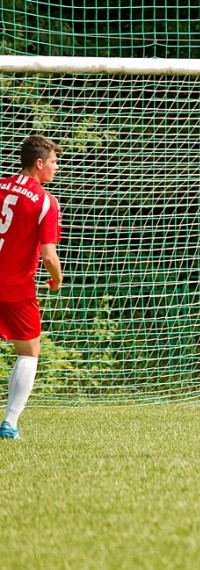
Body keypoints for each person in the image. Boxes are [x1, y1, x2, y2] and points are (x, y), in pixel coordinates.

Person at [0, 135, 64, 441]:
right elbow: (49, 255)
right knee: (29, 351)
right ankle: (10, 423)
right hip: (15, 289)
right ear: (38, 164)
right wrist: (56, 278)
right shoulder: (45, 201)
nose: (56, 167)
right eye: (53, 161)